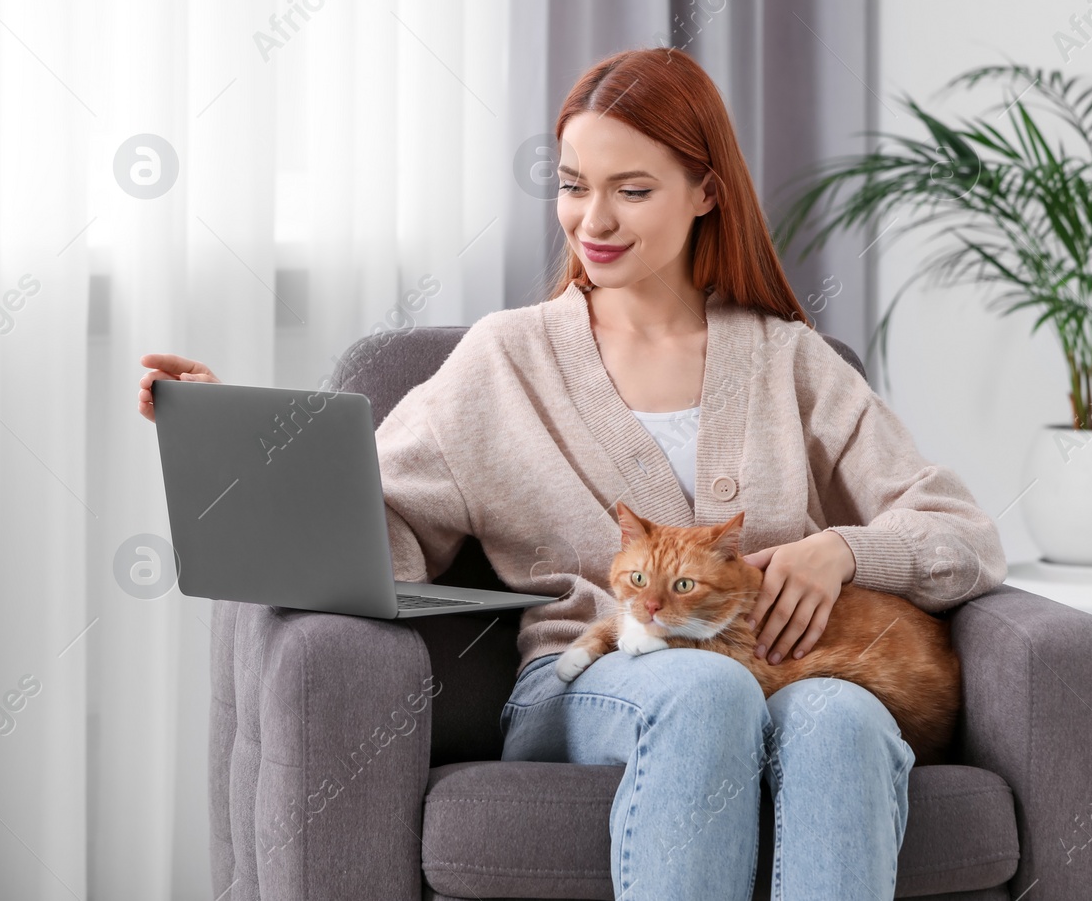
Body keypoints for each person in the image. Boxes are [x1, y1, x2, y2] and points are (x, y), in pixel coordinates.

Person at [137, 46, 1007, 900]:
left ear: (708, 192)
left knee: (844, 716)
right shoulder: (505, 361)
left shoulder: (791, 360)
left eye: (631, 190)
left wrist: (843, 552)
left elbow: (964, 535)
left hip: (781, 674)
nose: (593, 220)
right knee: (705, 689)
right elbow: (371, 528)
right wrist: (246, 447)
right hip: (586, 685)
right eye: (571, 184)